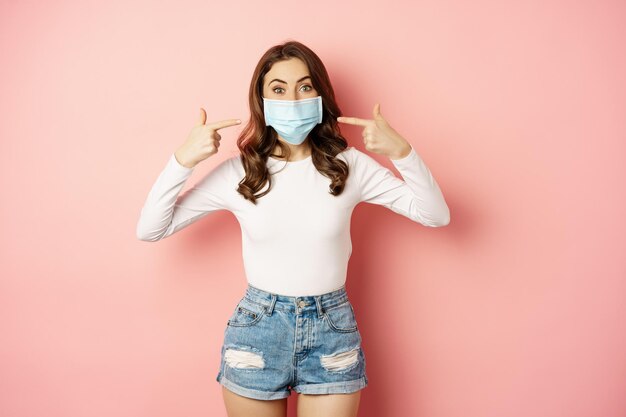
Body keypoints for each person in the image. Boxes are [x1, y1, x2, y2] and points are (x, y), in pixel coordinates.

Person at [136, 40, 450, 417]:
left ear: (320, 93)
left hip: (331, 330)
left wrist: (403, 152)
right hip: (257, 329)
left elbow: (435, 214)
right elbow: (151, 228)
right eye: (278, 89)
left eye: (305, 86)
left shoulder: (349, 166)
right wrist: (182, 160)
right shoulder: (241, 172)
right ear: (262, 100)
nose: (293, 99)